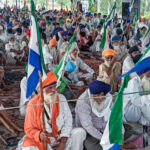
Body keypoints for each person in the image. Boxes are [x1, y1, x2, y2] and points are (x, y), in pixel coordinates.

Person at [18, 71, 86, 150]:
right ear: (42, 88)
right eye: (50, 88)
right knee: (29, 146)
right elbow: (29, 128)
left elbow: (68, 121)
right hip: (44, 141)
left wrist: (62, 144)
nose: (54, 90)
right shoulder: (32, 103)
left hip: (60, 137)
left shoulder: (61, 98)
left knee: (79, 132)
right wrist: (39, 134)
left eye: (54, 86)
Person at [75, 80, 136, 150]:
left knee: (129, 129)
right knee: (91, 146)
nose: (100, 98)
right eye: (97, 95)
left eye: (102, 95)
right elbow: (88, 126)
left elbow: (116, 117)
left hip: (106, 128)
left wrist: (121, 135)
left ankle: (119, 145)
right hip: (92, 132)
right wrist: (105, 140)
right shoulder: (83, 102)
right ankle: (120, 145)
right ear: (92, 94)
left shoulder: (107, 97)